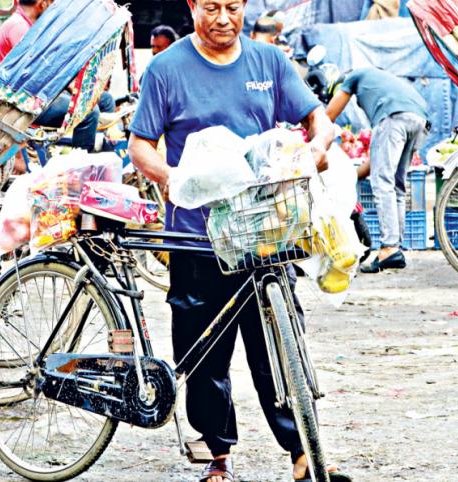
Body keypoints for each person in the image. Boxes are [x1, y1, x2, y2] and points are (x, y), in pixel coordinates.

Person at [128, 1, 348, 481]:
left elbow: (318, 117)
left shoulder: (269, 61)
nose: (223, 17)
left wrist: (316, 146)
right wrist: (172, 178)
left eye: (232, 6)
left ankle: (301, 450)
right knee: (204, 352)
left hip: (264, 231)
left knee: (276, 344)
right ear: (192, 6)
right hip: (195, 236)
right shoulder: (166, 69)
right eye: (212, 7)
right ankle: (216, 458)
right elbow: (140, 144)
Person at [325, 67, 429, 273]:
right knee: (397, 185)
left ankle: (389, 248)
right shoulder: (384, 81)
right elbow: (375, 163)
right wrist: (348, 177)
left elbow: (328, 116)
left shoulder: (354, 76)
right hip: (419, 120)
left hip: (393, 118)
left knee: (382, 185)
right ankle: (395, 248)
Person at [0, 0, 99, 152]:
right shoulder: (18, 27)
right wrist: (71, 87)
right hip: (20, 103)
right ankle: (80, 166)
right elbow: (37, 72)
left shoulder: (26, 25)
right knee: (89, 112)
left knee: (104, 99)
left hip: (31, 96)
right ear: (43, 3)